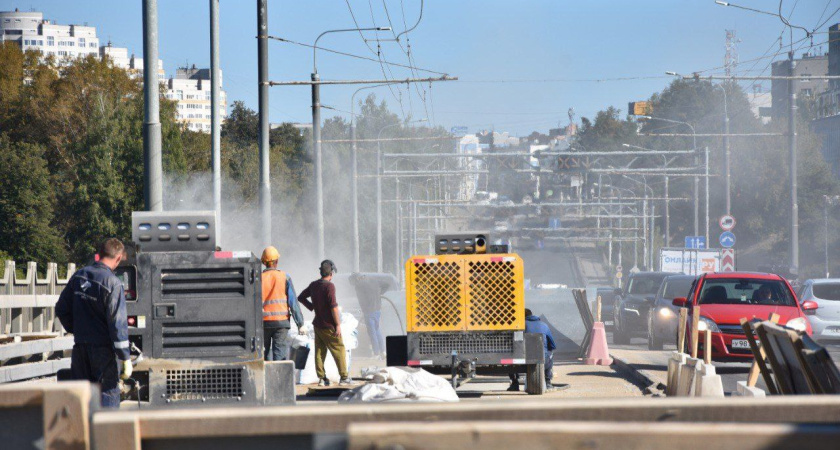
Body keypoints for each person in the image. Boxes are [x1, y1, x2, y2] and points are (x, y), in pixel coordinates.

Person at [56, 238, 132, 408]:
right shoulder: (113, 283)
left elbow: (61, 309)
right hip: (103, 353)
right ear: (118, 258)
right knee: (107, 395)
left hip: (80, 349)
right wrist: (125, 357)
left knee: (81, 399)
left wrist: (77, 330)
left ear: (99, 254)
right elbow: (117, 324)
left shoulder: (79, 276)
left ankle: (82, 433)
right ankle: (106, 433)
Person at [298, 260, 352, 386]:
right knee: (339, 350)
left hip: (318, 325)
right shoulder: (329, 286)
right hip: (329, 325)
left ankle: (322, 378)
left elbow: (300, 297)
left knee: (319, 352)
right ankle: (344, 378)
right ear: (331, 273)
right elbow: (333, 307)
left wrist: (312, 307)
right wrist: (338, 325)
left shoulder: (314, 285)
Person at [260, 246, 304, 361]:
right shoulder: (285, 277)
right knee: (279, 354)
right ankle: (277, 378)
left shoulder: (258, 278)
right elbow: (293, 303)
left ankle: (265, 377)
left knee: (263, 354)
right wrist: (300, 323)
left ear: (264, 262)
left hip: (263, 323)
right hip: (281, 322)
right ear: (277, 261)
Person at [508, 308, 557, 392]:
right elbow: (552, 345)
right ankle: (548, 383)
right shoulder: (544, 325)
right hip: (542, 361)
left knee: (510, 355)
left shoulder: (519, 325)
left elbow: (512, 344)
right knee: (550, 355)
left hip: (521, 362)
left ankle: (514, 384)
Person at [349, 273, 396, 359]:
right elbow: (387, 284)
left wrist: (364, 310)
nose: (353, 284)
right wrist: (379, 293)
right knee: (377, 330)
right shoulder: (373, 279)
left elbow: (361, 300)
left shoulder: (359, 285)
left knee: (372, 333)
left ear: (356, 279)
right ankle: (383, 352)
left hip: (368, 311)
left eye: (352, 283)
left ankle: (376, 353)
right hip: (377, 309)